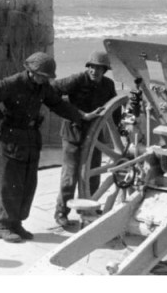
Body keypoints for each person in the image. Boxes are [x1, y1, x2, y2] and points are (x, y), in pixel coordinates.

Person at [0, 52, 102, 242]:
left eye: (46, 77)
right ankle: (3, 225)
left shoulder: (42, 86)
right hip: (11, 138)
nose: (44, 79)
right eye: (42, 75)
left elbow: (57, 104)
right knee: (9, 183)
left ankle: (17, 224)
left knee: (28, 184)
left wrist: (80, 116)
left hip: (31, 138)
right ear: (30, 71)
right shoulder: (13, 83)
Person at [51, 50, 118, 227]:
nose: (94, 71)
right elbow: (53, 91)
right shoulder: (76, 80)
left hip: (94, 135)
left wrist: (118, 132)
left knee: (92, 174)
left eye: (99, 68)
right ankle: (61, 212)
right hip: (73, 133)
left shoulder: (108, 85)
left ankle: (89, 208)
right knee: (69, 176)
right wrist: (75, 113)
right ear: (88, 67)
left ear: (105, 70)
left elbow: (115, 109)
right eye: (92, 67)